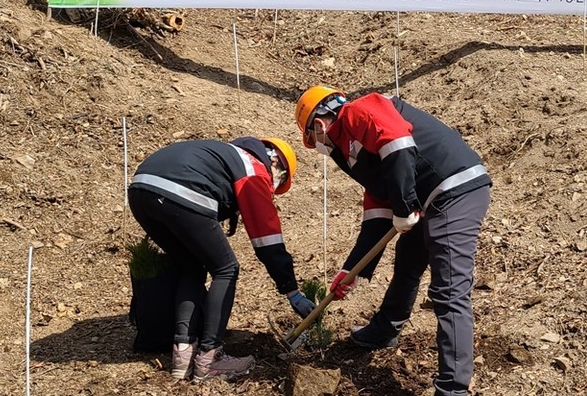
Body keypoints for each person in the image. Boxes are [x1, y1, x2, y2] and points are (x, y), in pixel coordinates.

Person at [294, 86, 492, 396]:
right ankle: (386, 329)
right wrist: (352, 271)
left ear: (318, 126)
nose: (319, 147)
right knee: (408, 263)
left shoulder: (360, 111)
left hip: (455, 189)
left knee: (448, 289)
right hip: (427, 199)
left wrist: (403, 206)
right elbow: (377, 211)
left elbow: (398, 146)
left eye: (313, 141)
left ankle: (453, 388)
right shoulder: (352, 150)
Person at [128, 136, 314, 381]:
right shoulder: (254, 168)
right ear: (276, 163)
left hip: (141, 189)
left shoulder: (225, 156)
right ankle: (210, 357)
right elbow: (267, 241)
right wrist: (292, 291)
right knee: (226, 268)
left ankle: (183, 354)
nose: (273, 188)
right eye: (277, 185)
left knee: (191, 266)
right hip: (180, 190)